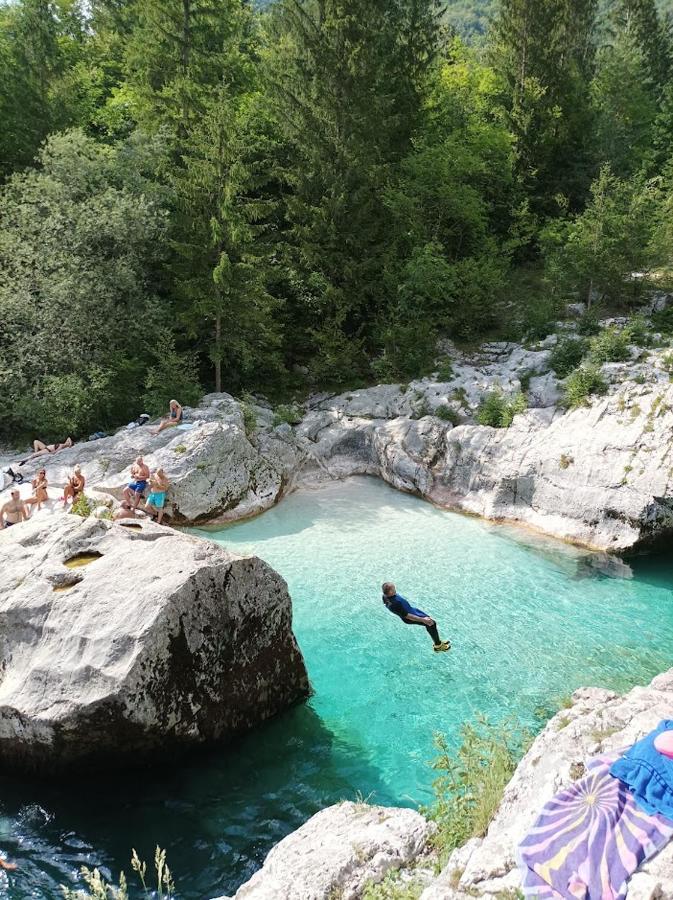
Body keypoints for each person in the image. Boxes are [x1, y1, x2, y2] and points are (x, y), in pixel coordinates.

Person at [381, 582, 451, 653]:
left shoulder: (385, 596)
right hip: (410, 616)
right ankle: (438, 646)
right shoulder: (395, 604)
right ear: (390, 591)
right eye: (393, 589)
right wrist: (423, 620)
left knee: (431, 622)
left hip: (412, 610)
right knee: (431, 623)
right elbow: (407, 616)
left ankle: (437, 641)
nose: (395, 589)